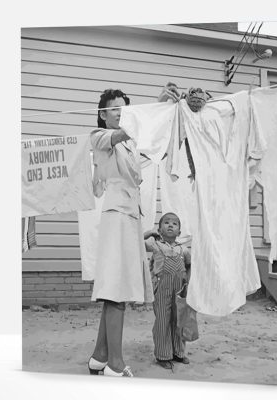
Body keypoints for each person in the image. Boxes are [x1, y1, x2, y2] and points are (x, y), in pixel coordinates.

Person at [88, 84, 181, 378]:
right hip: (116, 218)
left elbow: (144, 135)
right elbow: (126, 130)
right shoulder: (100, 136)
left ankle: (100, 356)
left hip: (130, 219)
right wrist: (152, 107)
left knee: (120, 289)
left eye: (124, 108)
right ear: (103, 114)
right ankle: (115, 363)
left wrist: (162, 107)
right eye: (115, 108)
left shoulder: (130, 145)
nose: (120, 113)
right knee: (116, 291)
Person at [144, 212, 191, 369]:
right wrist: (148, 233)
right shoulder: (155, 244)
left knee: (179, 320)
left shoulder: (183, 249)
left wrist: (187, 284)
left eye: (174, 223)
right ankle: (163, 355)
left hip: (179, 290)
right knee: (163, 320)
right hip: (162, 289)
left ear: (179, 231)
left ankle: (178, 352)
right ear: (159, 229)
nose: (170, 225)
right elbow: (136, 242)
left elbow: (189, 266)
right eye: (166, 223)